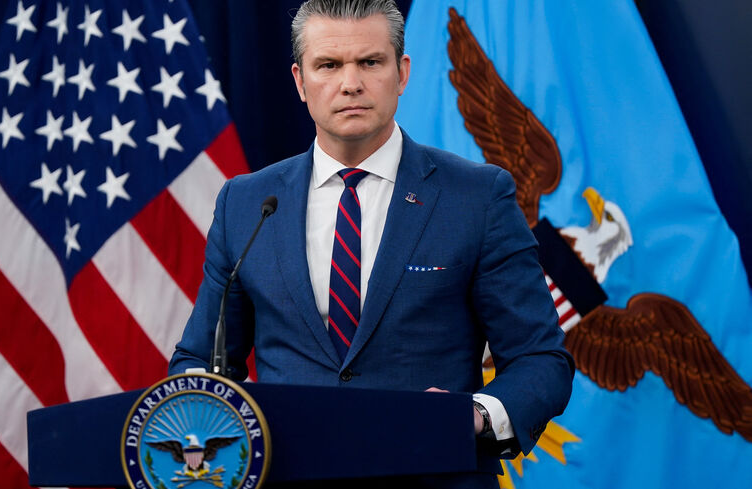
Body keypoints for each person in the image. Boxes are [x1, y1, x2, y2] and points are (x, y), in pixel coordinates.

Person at [170, 0, 573, 486]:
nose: (350, 83)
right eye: (329, 65)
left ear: (402, 73)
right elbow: (200, 360)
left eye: (370, 62)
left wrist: (475, 415)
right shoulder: (247, 203)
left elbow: (540, 358)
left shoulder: (478, 197)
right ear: (300, 81)